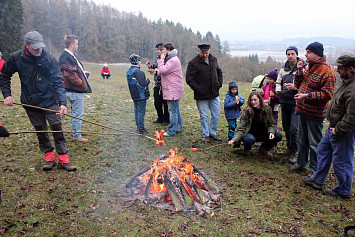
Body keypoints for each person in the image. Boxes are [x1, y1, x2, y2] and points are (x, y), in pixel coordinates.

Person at [0, 31, 76, 171]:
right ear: (26, 45)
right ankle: (49, 159)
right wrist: (7, 95)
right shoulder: (16, 58)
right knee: (41, 130)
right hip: (30, 102)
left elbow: (58, 81)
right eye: (35, 48)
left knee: (56, 127)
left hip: (49, 100)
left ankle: (64, 160)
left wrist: (62, 103)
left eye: (40, 47)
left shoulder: (48, 58)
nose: (39, 50)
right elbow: (4, 75)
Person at [302, 53, 355, 198]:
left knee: (342, 161)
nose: (337, 70)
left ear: (351, 69)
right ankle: (317, 180)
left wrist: (338, 130)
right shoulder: (346, 82)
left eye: (341, 68)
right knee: (323, 150)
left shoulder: (353, 90)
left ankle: (343, 190)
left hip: (342, 131)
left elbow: (352, 117)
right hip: (333, 127)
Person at [290, 42, 336, 177]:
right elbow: (299, 85)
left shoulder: (327, 71)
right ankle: (301, 164)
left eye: (309, 52)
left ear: (317, 54)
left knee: (314, 142)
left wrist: (306, 96)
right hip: (302, 110)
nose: (305, 54)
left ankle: (314, 169)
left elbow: (328, 94)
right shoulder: (310, 66)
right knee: (302, 139)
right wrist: (299, 72)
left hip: (315, 113)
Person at [186, 43, 223, 143]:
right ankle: (205, 134)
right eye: (202, 53)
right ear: (199, 51)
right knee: (204, 115)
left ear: (209, 51)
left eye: (206, 53)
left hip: (214, 93)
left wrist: (219, 83)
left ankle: (212, 133)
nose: (205, 55)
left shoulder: (213, 59)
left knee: (216, 113)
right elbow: (189, 79)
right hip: (201, 95)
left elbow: (219, 72)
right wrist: (198, 88)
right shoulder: (193, 63)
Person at [228, 92, 282, 159]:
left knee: (278, 136)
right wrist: (234, 139)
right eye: (251, 100)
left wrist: (271, 132)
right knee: (249, 139)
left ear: (260, 99)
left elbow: (272, 123)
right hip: (250, 134)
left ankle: (264, 148)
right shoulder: (247, 111)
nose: (253, 102)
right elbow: (241, 128)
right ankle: (247, 149)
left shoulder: (267, 109)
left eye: (255, 100)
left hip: (263, 133)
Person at [58, 35, 92, 143]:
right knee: (77, 113)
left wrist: (83, 74)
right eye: (77, 44)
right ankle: (77, 135)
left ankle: (77, 131)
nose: (78, 46)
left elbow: (73, 71)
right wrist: (82, 83)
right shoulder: (66, 57)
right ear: (72, 45)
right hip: (74, 90)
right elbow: (69, 74)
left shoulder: (70, 56)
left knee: (76, 113)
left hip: (72, 89)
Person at [276, 46, 300, 164]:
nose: (290, 56)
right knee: (286, 127)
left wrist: (294, 87)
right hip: (285, 101)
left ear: (296, 55)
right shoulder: (283, 69)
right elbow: (278, 82)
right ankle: (289, 148)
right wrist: (278, 91)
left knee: (294, 128)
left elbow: (306, 84)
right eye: (288, 54)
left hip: (296, 102)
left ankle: (294, 152)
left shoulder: (302, 68)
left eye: (292, 54)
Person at [156, 42, 184, 137]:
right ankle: (179, 128)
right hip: (173, 88)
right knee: (176, 109)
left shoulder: (173, 60)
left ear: (168, 50)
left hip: (173, 88)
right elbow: (165, 71)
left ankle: (172, 130)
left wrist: (161, 60)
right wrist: (156, 72)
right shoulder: (171, 59)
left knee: (172, 111)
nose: (162, 51)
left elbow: (164, 70)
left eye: (163, 49)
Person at [126, 54, 150, 134]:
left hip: (134, 94)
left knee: (137, 110)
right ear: (138, 62)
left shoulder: (129, 71)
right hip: (141, 95)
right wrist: (148, 81)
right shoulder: (139, 72)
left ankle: (138, 126)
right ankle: (141, 128)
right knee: (141, 112)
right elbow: (142, 84)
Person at [146, 43, 169, 125]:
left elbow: (164, 70)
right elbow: (154, 68)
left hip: (165, 84)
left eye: (157, 50)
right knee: (157, 102)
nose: (156, 51)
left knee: (165, 103)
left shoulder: (167, 59)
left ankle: (166, 120)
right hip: (157, 84)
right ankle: (160, 118)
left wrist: (157, 70)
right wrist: (150, 67)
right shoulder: (157, 59)